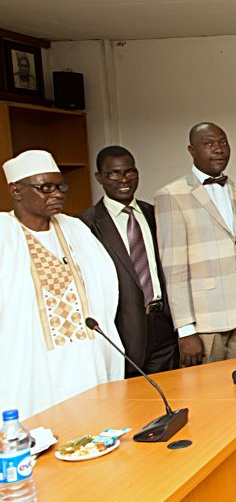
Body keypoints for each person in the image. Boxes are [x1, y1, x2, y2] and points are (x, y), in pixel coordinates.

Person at [0, 150, 122, 418]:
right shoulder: (3, 233)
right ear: (16, 191)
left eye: (60, 186)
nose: (56, 194)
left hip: (85, 356)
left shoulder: (74, 228)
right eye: (45, 187)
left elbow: (105, 286)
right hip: (30, 359)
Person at [155, 122, 236, 366]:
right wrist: (185, 330)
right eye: (209, 144)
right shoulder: (171, 195)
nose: (218, 149)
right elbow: (173, 269)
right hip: (204, 320)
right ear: (191, 150)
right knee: (208, 395)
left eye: (223, 143)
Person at [79, 146, 178, 376]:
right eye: (114, 173)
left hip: (163, 323)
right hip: (123, 328)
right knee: (133, 403)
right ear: (99, 177)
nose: (124, 179)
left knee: (171, 397)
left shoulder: (155, 213)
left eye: (130, 172)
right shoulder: (87, 224)